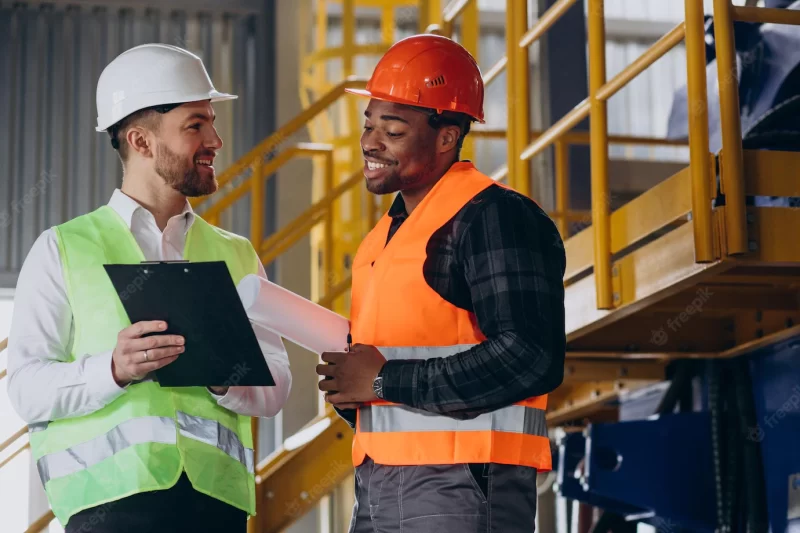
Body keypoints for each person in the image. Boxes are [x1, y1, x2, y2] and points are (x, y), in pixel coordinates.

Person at [6, 43, 292, 533]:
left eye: (212, 122)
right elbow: (25, 388)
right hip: (108, 509)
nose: (216, 140)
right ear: (141, 141)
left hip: (215, 507)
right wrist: (112, 369)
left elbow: (278, 385)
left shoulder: (237, 252)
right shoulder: (63, 249)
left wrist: (223, 374)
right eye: (195, 125)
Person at [315, 34, 566, 532]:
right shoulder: (381, 241)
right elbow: (401, 374)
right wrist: (354, 393)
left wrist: (384, 380)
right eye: (369, 126)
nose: (370, 142)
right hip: (377, 482)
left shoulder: (494, 216)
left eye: (392, 130)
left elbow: (530, 355)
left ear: (447, 136)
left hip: (465, 483)